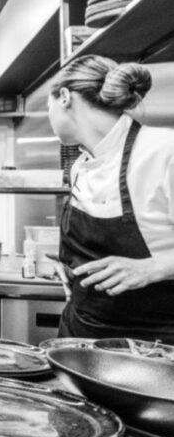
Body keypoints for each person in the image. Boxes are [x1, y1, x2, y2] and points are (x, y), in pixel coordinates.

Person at [48, 54, 174, 343]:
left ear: (64, 97)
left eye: (49, 106)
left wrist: (153, 267)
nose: (50, 117)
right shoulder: (81, 165)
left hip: (153, 343)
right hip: (79, 334)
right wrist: (70, 268)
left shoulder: (163, 152)